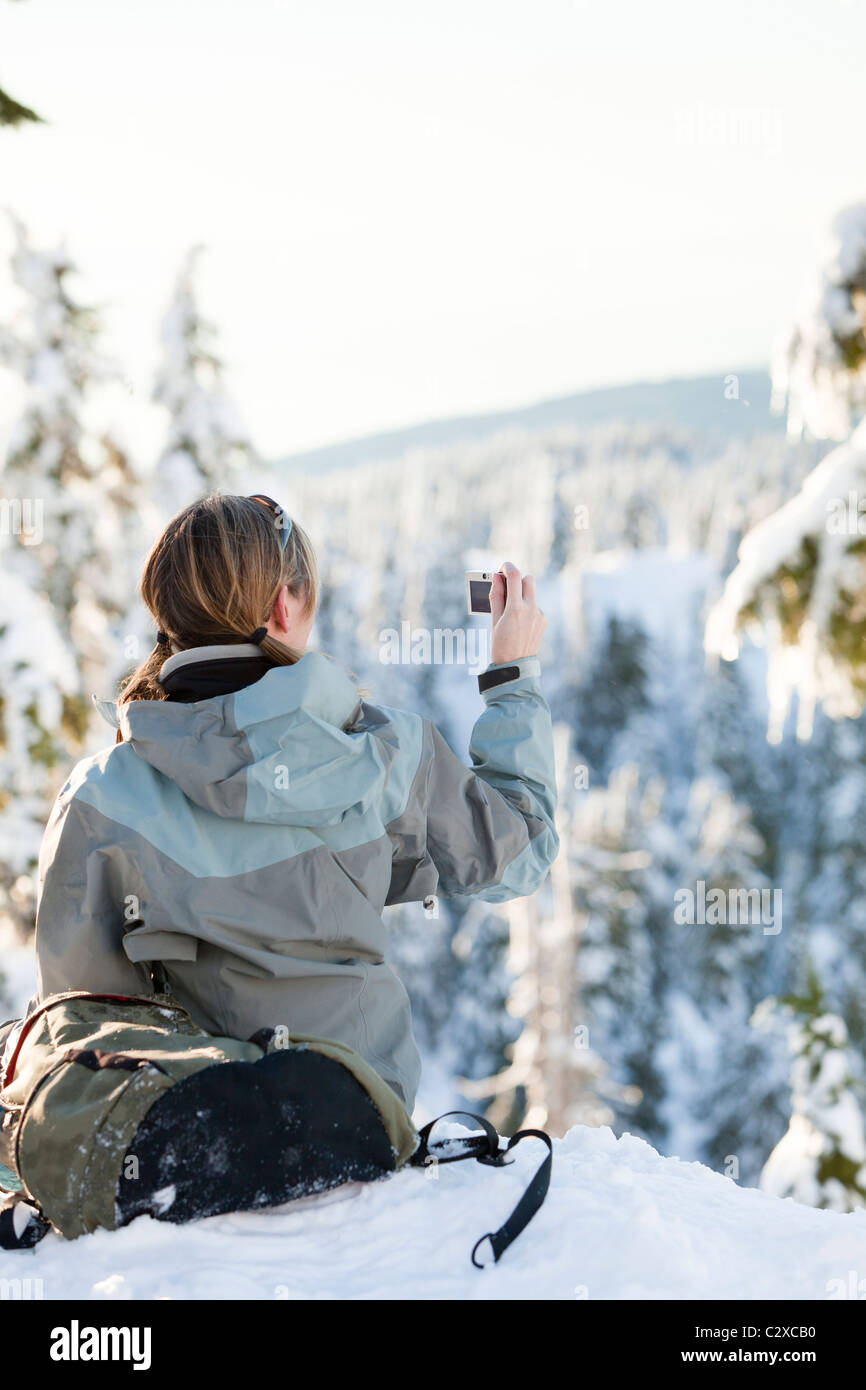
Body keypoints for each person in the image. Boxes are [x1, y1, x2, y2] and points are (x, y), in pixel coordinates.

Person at [33, 493, 559, 1109]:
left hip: (188, 1151)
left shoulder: (100, 797)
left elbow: (80, 1021)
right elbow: (520, 855)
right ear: (285, 606)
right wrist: (512, 676)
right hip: (358, 1132)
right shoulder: (387, 754)